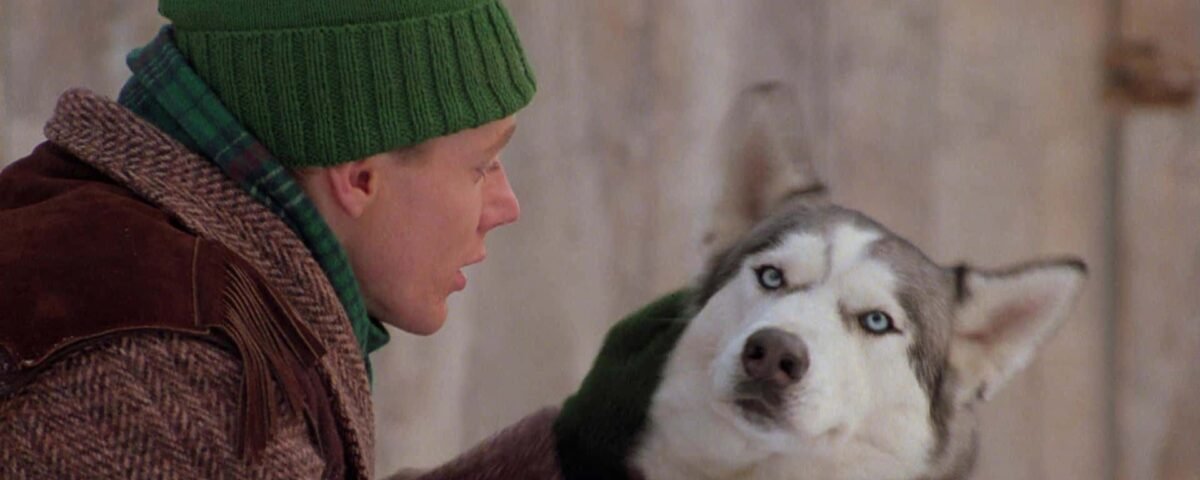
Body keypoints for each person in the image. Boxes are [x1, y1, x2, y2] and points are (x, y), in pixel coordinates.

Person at [0, 0, 587, 478]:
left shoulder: (113, 242)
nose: (506, 206)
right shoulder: (173, 368)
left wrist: (581, 454)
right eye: (482, 166)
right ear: (359, 178)